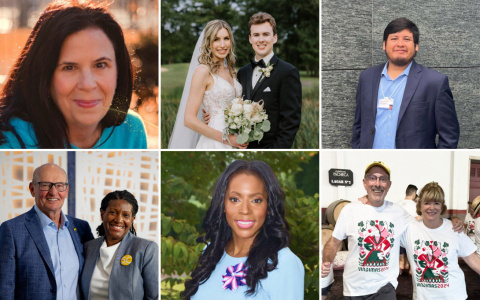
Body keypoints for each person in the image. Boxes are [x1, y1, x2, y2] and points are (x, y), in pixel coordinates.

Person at [0, 0, 147, 149]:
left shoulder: (131, 131)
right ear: (44, 76)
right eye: (69, 67)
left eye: (100, 65)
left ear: (119, 70)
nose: (88, 84)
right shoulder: (10, 140)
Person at [321, 161, 463, 299]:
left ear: (389, 185)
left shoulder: (398, 212)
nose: (377, 183)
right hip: (353, 289)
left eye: (383, 179)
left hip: (384, 288)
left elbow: (426, 220)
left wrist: (454, 220)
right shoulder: (350, 210)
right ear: (364, 183)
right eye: (372, 178)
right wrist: (326, 262)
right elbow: (333, 242)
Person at [182, 160, 304, 299]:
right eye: (235, 199)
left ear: (269, 207)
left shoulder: (285, 263)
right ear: (223, 204)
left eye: (256, 200)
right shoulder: (211, 251)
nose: (245, 210)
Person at [351, 17, 459, 149]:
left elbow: (449, 136)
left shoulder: (435, 83)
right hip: (373, 164)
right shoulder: (367, 78)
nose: (400, 44)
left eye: (407, 39)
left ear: (416, 46)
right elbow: (359, 125)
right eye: (394, 38)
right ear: (384, 44)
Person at [0, 163, 94, 299]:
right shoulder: (11, 230)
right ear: (32, 189)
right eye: (45, 185)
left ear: (67, 190)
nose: (53, 192)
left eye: (60, 185)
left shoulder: (81, 228)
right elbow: (4, 289)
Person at [168, 20, 247, 149]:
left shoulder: (232, 71)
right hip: (216, 141)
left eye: (226, 38)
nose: (222, 44)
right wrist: (226, 139)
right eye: (216, 39)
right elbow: (189, 119)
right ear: (209, 44)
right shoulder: (203, 71)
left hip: (236, 139)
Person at [400, 182, 480, 299]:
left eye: (436, 203)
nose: (431, 208)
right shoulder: (410, 229)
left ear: (442, 206)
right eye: (427, 203)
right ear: (420, 205)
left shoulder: (454, 229)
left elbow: (473, 260)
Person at [237, 12, 302, 149]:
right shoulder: (242, 72)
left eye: (266, 34)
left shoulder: (288, 72)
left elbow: (291, 120)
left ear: (275, 38)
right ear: (250, 39)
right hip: (242, 146)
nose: (261, 39)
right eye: (256, 35)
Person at [80, 190, 158, 299]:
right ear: (103, 214)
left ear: (132, 220)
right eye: (113, 212)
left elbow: (154, 297)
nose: (118, 220)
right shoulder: (89, 247)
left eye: (126, 215)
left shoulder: (146, 249)